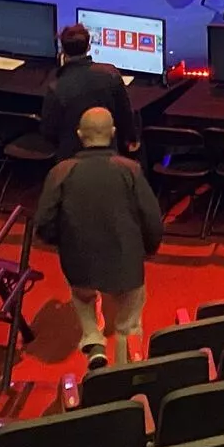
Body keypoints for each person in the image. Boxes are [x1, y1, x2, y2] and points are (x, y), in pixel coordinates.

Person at [34, 107, 164, 372]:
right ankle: (124, 372)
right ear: (113, 133)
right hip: (126, 262)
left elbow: (44, 223)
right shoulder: (130, 169)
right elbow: (152, 218)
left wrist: (63, 242)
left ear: (80, 135)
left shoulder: (61, 171)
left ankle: (93, 341)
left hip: (79, 262)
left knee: (83, 298)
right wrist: (148, 249)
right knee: (128, 324)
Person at [39, 24, 139, 160]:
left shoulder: (56, 88)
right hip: (109, 156)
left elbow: (48, 132)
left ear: (62, 50)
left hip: (70, 159)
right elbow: (125, 115)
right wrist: (132, 138)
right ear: (88, 47)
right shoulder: (111, 74)